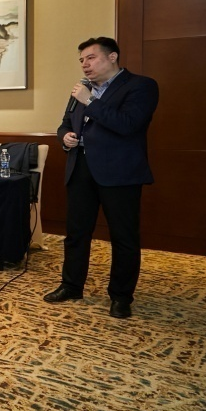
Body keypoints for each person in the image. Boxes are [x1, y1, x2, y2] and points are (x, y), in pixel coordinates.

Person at [46, 37, 159, 319]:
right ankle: (71, 285)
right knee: (76, 233)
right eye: (81, 60)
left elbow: (128, 125)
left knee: (123, 237)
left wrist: (90, 100)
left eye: (91, 58)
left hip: (119, 173)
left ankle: (121, 296)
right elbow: (64, 124)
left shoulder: (141, 86)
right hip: (80, 168)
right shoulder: (82, 89)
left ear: (112, 57)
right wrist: (65, 137)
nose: (85, 64)